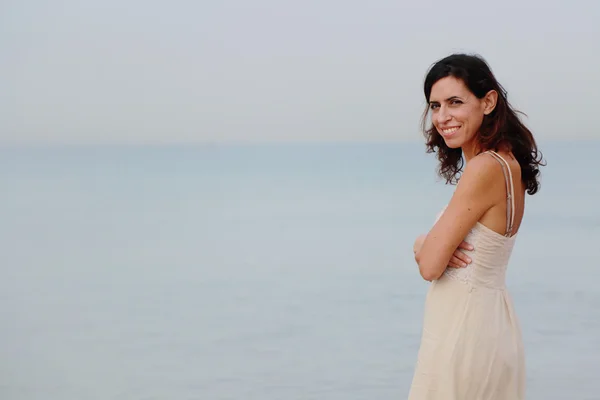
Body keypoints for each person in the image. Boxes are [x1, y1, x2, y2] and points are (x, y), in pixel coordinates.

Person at [408, 53, 544, 400]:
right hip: (490, 320)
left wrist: (421, 243)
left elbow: (430, 265)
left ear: (488, 102)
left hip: (463, 327)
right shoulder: (505, 163)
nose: (442, 116)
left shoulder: (484, 168)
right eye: (435, 105)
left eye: (455, 102)